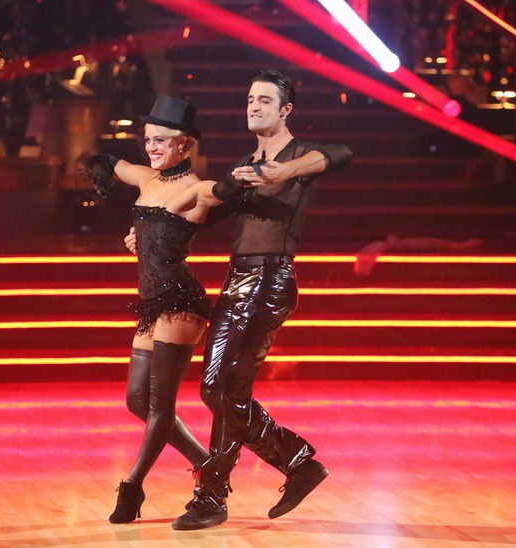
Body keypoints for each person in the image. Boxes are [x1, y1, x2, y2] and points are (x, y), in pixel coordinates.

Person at [126, 70, 353, 530]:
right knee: (216, 390)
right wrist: (146, 234)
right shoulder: (243, 166)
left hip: (270, 279)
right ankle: (297, 462)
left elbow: (341, 153)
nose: (254, 106)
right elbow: (198, 215)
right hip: (236, 280)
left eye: (265, 100)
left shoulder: (299, 156)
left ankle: (211, 496)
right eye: (250, 99)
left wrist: (283, 171)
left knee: (225, 388)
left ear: (286, 110)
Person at [83, 96, 231, 524]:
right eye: (148, 139)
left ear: (183, 144)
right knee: (136, 401)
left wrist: (248, 178)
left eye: (161, 140)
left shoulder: (194, 188)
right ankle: (209, 465)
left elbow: (219, 192)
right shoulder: (148, 178)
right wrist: (102, 166)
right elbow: (111, 162)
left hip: (181, 303)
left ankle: (132, 486)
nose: (151, 147)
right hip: (153, 303)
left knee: (160, 406)